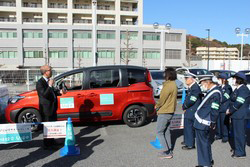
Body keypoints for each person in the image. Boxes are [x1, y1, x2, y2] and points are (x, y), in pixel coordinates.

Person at [36, 65, 66, 150]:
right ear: (45, 72)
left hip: (52, 108)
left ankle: (52, 141)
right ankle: (47, 145)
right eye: (50, 70)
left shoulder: (48, 81)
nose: (51, 71)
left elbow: (52, 92)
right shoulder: (40, 82)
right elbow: (45, 95)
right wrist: (49, 86)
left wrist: (60, 92)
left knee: (52, 126)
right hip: (46, 109)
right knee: (48, 127)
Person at [194, 75, 221, 167]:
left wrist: (213, 122)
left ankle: (205, 164)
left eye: (202, 83)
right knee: (205, 143)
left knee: (202, 144)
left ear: (208, 82)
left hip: (203, 122)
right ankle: (208, 160)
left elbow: (215, 110)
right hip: (202, 121)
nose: (202, 85)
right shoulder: (212, 92)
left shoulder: (215, 93)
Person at [155, 68, 178, 159]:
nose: (164, 75)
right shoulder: (174, 84)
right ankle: (169, 149)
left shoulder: (168, 85)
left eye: (165, 73)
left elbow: (162, 99)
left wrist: (157, 106)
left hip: (165, 111)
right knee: (166, 131)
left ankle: (167, 152)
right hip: (170, 111)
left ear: (168, 75)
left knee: (159, 132)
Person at [226, 72, 250, 159]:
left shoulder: (243, 89)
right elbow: (232, 99)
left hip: (240, 116)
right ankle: (237, 148)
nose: (233, 80)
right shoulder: (237, 89)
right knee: (236, 133)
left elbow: (238, 103)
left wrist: (230, 110)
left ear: (239, 80)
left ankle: (240, 152)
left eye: (234, 78)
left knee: (239, 134)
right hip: (236, 115)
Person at [182, 73, 202, 150]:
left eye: (187, 78)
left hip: (192, 109)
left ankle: (190, 144)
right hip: (190, 109)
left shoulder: (195, 87)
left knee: (189, 127)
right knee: (187, 126)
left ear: (192, 79)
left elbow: (192, 100)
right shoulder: (191, 87)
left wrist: (185, 106)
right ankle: (187, 141)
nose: (185, 80)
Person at [214, 73, 232, 143]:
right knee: (218, 122)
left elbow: (225, 97)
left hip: (224, 108)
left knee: (224, 123)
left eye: (219, 79)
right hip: (218, 107)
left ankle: (225, 136)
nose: (218, 80)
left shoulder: (228, 88)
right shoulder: (219, 87)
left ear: (223, 80)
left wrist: (218, 99)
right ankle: (219, 134)